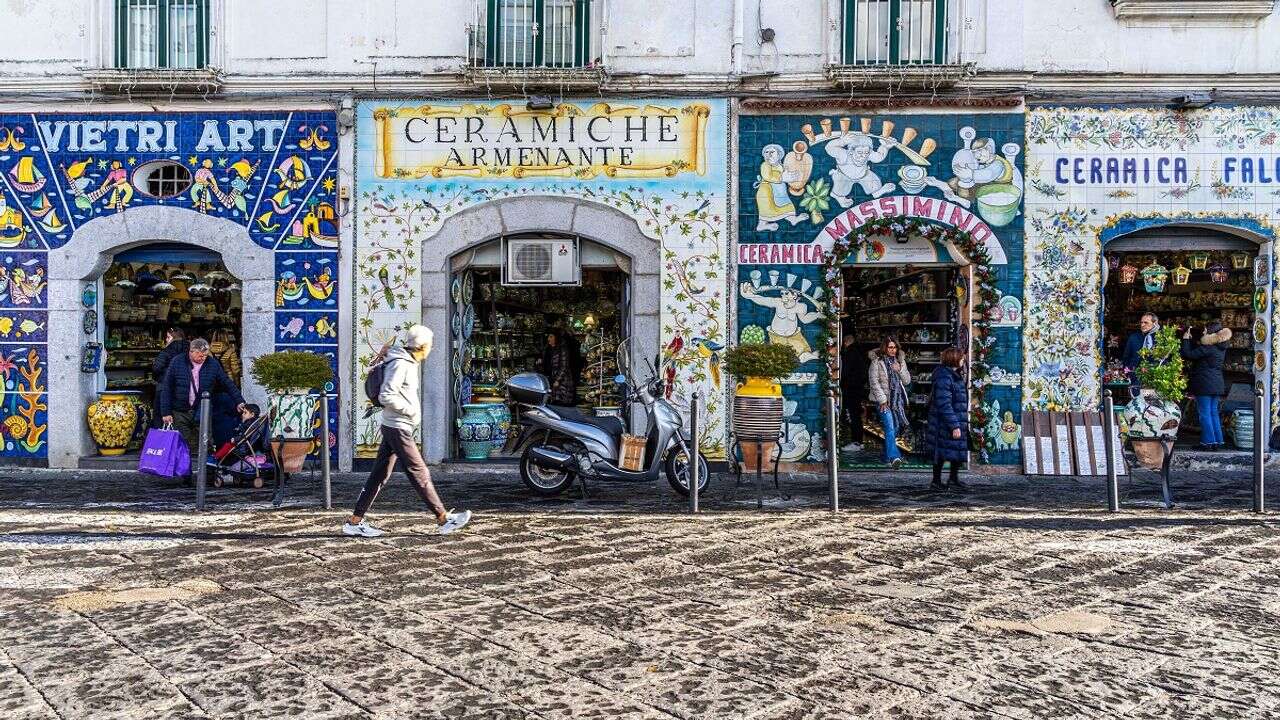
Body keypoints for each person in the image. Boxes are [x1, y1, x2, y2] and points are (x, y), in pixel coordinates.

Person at [344, 325, 470, 537]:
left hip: (395, 425)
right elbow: (386, 395)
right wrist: (410, 410)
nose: (431, 348)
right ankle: (443, 518)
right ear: (422, 346)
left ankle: (354, 522)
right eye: (430, 345)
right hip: (398, 426)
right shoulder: (401, 364)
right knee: (419, 472)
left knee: (379, 475)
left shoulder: (405, 361)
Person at [158, 338, 246, 464]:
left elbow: (227, 383)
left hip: (202, 409)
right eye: (200, 355)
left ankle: (208, 472)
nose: (203, 358)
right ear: (191, 351)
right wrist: (165, 412)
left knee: (207, 442)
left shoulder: (212, 364)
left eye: (205, 355)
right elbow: (167, 388)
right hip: (180, 410)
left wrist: (239, 401)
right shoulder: (177, 362)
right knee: (183, 444)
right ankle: (185, 475)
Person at [1182, 321, 1231, 451]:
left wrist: (1186, 339)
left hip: (1204, 384)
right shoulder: (1220, 347)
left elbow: (1189, 354)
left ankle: (1207, 442)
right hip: (1216, 383)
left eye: (1204, 330)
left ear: (1210, 332)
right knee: (1213, 413)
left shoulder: (1208, 347)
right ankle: (1217, 441)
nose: (1202, 332)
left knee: (1204, 414)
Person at [925, 348, 970, 491]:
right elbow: (944, 403)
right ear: (954, 359)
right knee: (941, 451)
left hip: (956, 418)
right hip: (945, 422)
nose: (963, 360)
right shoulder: (945, 377)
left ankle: (953, 478)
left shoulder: (954, 375)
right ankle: (936, 481)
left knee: (954, 449)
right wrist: (954, 425)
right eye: (962, 358)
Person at [868, 337, 910, 467]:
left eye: (894, 347)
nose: (893, 350)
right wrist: (882, 400)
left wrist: (900, 370)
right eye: (890, 347)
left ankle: (886, 457)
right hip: (883, 401)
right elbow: (874, 382)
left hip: (897, 402)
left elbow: (907, 381)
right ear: (885, 348)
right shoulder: (877, 362)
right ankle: (894, 457)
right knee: (890, 426)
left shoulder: (900, 362)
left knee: (895, 428)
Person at [839, 332, 867, 451]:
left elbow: (845, 372)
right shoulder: (859, 352)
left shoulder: (850, 353)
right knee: (855, 415)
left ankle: (856, 442)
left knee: (853, 414)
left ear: (845, 342)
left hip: (852, 388)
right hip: (857, 388)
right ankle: (858, 441)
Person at [542, 329, 577, 406]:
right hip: (552, 378)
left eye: (551, 337)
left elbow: (564, 365)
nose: (549, 339)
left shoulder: (562, 348)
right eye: (548, 337)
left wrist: (558, 380)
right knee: (554, 401)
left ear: (556, 338)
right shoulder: (548, 349)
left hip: (563, 380)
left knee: (562, 401)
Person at [1123, 312, 1160, 379]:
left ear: (1154, 323)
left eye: (1146, 322)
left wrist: (1152, 368)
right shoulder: (1133, 338)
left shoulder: (1161, 338)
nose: (1142, 325)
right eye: (1141, 322)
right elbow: (1126, 357)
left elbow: (1166, 359)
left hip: (1155, 377)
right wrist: (1129, 373)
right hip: (1135, 376)